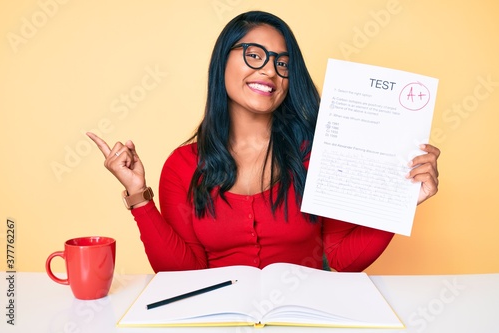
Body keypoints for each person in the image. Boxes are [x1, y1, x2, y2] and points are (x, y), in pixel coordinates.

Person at [87, 11, 440, 273]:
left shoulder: (315, 154)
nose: (270, 71)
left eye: (283, 64)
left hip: (305, 317)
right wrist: (138, 195)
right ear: (222, 60)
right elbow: (181, 274)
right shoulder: (183, 165)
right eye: (254, 55)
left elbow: (340, 260)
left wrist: (399, 204)